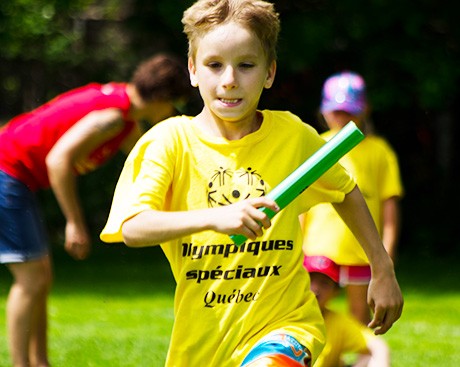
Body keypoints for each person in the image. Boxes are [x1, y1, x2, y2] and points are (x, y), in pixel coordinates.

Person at [100, 1, 403, 366]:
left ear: (269, 72)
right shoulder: (169, 142)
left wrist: (382, 268)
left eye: (246, 65)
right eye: (214, 65)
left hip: (287, 326)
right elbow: (133, 227)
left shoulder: (293, 136)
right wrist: (214, 218)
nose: (229, 79)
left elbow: (345, 190)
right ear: (194, 70)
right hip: (202, 344)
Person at [0, 53, 191, 367]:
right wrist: (75, 222)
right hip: (7, 172)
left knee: (40, 277)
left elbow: (146, 161)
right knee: (30, 279)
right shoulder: (111, 117)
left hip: (13, 175)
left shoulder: (123, 113)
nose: (172, 113)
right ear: (160, 97)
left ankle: (40, 362)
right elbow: (58, 161)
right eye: (174, 104)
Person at [301, 71, 404, 325]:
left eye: (349, 111)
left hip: (361, 251)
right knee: (312, 311)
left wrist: (386, 250)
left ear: (364, 109)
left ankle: (363, 360)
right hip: (318, 249)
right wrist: (298, 243)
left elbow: (389, 204)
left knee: (361, 313)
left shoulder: (378, 151)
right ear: (324, 111)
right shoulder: (316, 145)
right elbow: (302, 201)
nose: (342, 117)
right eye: (337, 111)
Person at [304, 255, 391, 367]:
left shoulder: (338, 322)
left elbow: (378, 347)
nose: (315, 288)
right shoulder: (285, 313)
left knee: (368, 359)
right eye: (310, 279)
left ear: (335, 292)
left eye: (324, 283)